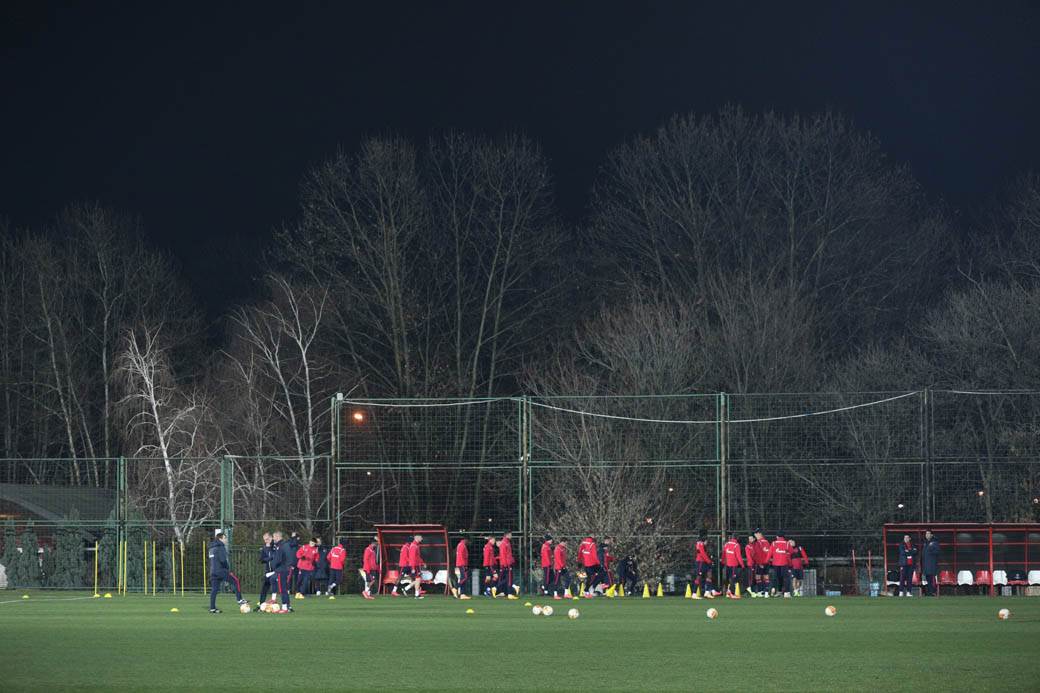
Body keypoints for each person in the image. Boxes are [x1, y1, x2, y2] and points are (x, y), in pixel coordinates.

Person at [207, 532, 247, 613]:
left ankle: (212, 608)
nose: (226, 540)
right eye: (225, 538)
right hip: (221, 570)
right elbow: (223, 560)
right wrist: (227, 568)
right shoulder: (221, 546)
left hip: (213, 571)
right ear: (220, 539)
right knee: (235, 581)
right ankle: (239, 600)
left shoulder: (211, 548)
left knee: (214, 590)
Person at [266, 530, 293, 612]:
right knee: (275, 581)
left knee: (282, 589)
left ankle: (285, 608)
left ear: (278, 537)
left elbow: (280, 559)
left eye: (274, 537)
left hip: (283, 570)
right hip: (283, 569)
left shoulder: (282, 546)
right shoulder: (282, 545)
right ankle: (287, 606)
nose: (273, 539)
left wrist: (274, 566)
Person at [767, 532, 792, 598]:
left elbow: (769, 553)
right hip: (784, 563)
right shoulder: (787, 543)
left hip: (775, 563)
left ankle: (779, 592)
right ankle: (786, 593)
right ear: (783, 537)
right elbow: (791, 552)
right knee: (786, 578)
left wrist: (766, 561)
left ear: (777, 536)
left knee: (778, 578)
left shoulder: (773, 543)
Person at [255, 532, 274, 610]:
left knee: (279, 589)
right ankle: (261, 604)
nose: (266, 541)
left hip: (276, 571)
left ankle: (286, 606)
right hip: (268, 572)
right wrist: (269, 558)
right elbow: (261, 560)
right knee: (264, 588)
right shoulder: (264, 548)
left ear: (271, 538)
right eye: (265, 539)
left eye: (267, 539)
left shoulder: (275, 547)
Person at [721, 534, 745, 598]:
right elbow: (738, 556)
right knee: (733, 579)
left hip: (727, 564)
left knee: (729, 578)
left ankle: (728, 592)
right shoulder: (736, 545)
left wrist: (722, 562)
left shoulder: (726, 544)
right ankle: (732, 593)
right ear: (737, 538)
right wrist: (742, 565)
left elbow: (723, 554)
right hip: (734, 565)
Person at [497, 531, 517, 599]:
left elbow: (508, 554)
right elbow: (503, 555)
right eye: (510, 534)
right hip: (507, 564)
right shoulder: (504, 543)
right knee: (509, 579)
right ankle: (509, 593)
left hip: (507, 563)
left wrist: (512, 560)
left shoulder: (507, 542)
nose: (511, 536)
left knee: (507, 579)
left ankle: (503, 592)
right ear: (507, 535)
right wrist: (506, 564)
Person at [751, 530, 772, 597]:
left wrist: (760, 563)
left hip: (760, 562)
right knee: (766, 577)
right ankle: (766, 592)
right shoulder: (767, 542)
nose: (755, 535)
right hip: (767, 562)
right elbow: (769, 552)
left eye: (756, 534)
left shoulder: (758, 543)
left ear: (759, 534)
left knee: (758, 577)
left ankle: (760, 592)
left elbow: (757, 554)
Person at [922, 530, 940, 597]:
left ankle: (933, 592)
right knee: (928, 578)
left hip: (932, 564)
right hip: (926, 564)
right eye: (926, 534)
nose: (927, 535)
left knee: (932, 578)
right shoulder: (925, 543)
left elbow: (937, 551)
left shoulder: (935, 542)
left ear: (931, 535)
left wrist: (930, 551)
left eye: (928, 533)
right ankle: (930, 592)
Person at [408, 535, 426, 599]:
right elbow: (412, 558)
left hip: (416, 565)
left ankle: (416, 594)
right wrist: (413, 567)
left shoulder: (416, 545)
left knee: (418, 579)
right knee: (418, 579)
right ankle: (416, 595)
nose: (422, 539)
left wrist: (422, 563)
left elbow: (417, 557)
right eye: (421, 537)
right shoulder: (413, 546)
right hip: (415, 565)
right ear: (417, 538)